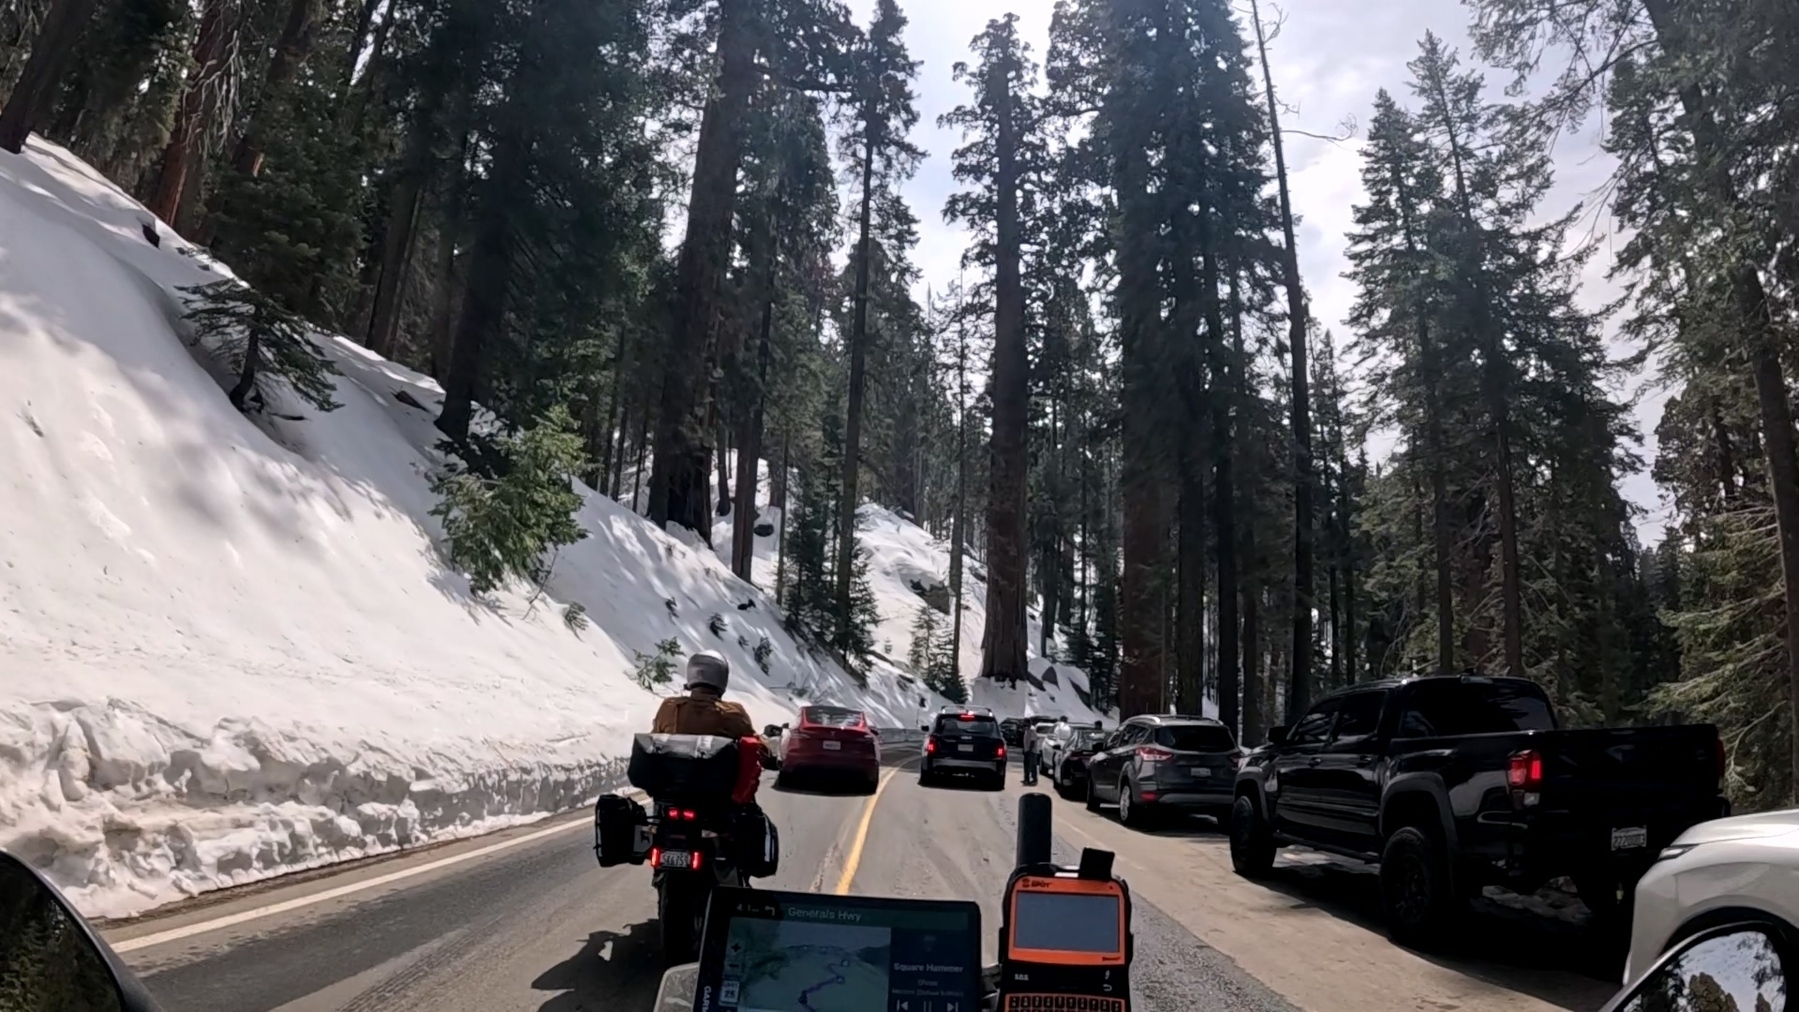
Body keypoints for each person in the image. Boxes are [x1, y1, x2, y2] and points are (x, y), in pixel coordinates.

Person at [1021, 719, 1040, 785]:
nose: (1023, 724)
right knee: (1026, 765)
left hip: (1032, 751)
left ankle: (1034, 780)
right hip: (1026, 750)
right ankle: (1026, 779)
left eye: (1025, 723)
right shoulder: (1027, 729)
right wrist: (1024, 749)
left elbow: (1033, 741)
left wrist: (1029, 750)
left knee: (1032, 766)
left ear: (1028, 723)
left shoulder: (1032, 729)